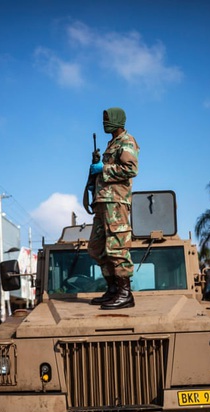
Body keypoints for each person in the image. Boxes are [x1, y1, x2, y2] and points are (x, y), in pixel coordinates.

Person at [87, 107, 140, 310]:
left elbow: (131, 169)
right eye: (103, 120)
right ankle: (113, 290)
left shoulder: (127, 141)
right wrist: (96, 167)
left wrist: (104, 168)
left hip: (116, 202)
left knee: (117, 248)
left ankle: (125, 294)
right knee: (97, 248)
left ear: (118, 120)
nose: (104, 123)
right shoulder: (113, 143)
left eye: (108, 119)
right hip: (103, 201)